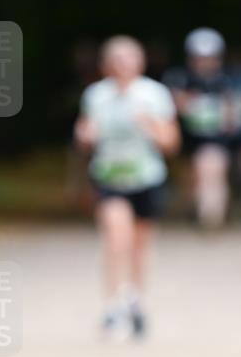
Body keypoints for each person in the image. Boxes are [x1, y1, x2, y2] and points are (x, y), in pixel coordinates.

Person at [74, 36, 180, 340]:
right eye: (117, 59)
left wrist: (153, 129)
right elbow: (84, 137)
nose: (124, 64)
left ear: (140, 61)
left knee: (139, 246)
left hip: (147, 178)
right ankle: (112, 305)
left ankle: (136, 300)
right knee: (115, 238)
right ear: (106, 65)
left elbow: (171, 143)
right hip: (109, 178)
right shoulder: (95, 95)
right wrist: (84, 136)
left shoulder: (154, 94)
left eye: (130, 57)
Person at [163, 28, 238, 227]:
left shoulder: (225, 81)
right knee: (191, 182)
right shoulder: (178, 77)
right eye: (200, 57)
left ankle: (211, 220)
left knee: (212, 171)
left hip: (214, 141)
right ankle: (197, 213)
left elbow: (232, 117)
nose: (205, 62)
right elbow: (171, 105)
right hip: (184, 142)